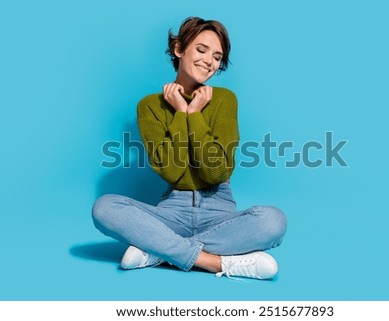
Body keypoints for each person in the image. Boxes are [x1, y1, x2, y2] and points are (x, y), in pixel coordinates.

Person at [92, 17, 287, 280]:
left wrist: (193, 114)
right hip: (172, 213)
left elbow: (215, 173)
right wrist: (181, 113)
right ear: (179, 49)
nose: (209, 61)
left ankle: (160, 251)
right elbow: (173, 172)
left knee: (273, 221)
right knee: (104, 208)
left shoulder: (224, 100)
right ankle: (217, 263)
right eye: (201, 49)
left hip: (220, 212)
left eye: (217, 57)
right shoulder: (150, 106)